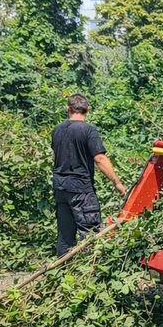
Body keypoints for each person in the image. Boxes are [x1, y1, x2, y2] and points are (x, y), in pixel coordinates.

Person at [51, 94, 126, 256]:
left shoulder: (56, 130)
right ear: (88, 110)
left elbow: (56, 156)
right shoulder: (88, 130)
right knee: (91, 232)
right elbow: (99, 159)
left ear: (68, 109)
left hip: (60, 187)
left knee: (65, 234)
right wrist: (117, 183)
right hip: (81, 189)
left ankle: (62, 271)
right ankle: (91, 271)